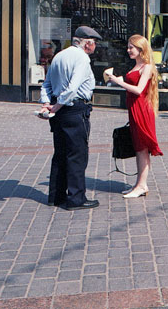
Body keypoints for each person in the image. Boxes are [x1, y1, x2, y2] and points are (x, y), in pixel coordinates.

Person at [38, 26, 102, 211]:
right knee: (77, 154)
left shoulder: (59, 55)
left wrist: (46, 103)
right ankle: (76, 198)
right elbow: (73, 87)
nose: (95, 46)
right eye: (94, 43)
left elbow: (47, 83)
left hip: (59, 111)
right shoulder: (82, 58)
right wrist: (59, 105)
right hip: (74, 109)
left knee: (60, 153)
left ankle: (55, 196)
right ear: (87, 43)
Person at [106, 34, 163, 199]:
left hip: (142, 110)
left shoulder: (147, 67)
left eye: (132, 47)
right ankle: (140, 184)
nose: (128, 50)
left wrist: (118, 81)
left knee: (142, 148)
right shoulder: (136, 66)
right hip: (134, 109)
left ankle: (142, 185)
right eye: (129, 47)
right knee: (139, 148)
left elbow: (138, 89)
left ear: (141, 48)